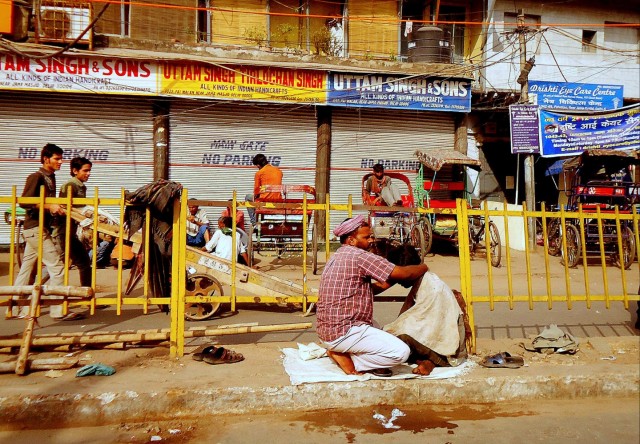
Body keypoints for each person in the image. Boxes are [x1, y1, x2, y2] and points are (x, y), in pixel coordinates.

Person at [316, 215, 428, 376]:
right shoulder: (360, 256)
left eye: (371, 236)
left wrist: (391, 281)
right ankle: (349, 359)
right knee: (401, 353)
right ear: (351, 240)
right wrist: (423, 267)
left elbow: (367, 289)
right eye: (366, 237)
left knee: (382, 330)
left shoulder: (337, 255)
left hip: (328, 331)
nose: (371, 240)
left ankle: (340, 350)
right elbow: (403, 273)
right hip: (343, 332)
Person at [12, 143, 85, 321]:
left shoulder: (50, 177)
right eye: (57, 159)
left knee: (26, 269)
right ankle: (58, 311)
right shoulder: (36, 177)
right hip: (35, 229)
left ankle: (15, 308)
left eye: (61, 158)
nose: (60, 162)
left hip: (40, 228)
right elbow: (24, 201)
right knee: (57, 267)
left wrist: (55, 206)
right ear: (46, 159)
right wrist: (48, 206)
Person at [383, 244, 469, 376]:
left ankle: (432, 361)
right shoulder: (424, 280)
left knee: (397, 337)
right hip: (438, 343)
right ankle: (428, 362)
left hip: (448, 352)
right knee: (393, 334)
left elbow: (414, 325)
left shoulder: (431, 286)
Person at [54, 156, 93, 287]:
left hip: (70, 232)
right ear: (75, 171)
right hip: (63, 232)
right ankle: (32, 288)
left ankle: (86, 293)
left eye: (89, 170)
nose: (88, 173)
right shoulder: (71, 186)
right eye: (85, 170)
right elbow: (65, 207)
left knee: (64, 263)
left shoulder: (80, 186)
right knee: (59, 264)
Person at [245, 154, 283, 226]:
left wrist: (256, 200)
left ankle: (254, 222)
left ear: (258, 165)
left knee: (248, 197)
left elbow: (256, 191)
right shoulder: (279, 171)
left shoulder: (259, 173)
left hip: (264, 201)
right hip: (278, 200)